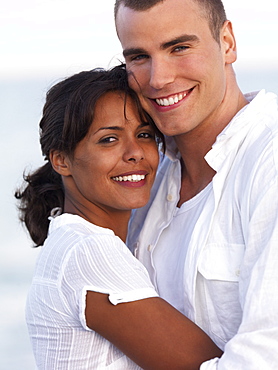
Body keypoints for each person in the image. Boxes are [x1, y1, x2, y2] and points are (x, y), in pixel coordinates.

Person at [15, 65, 222, 369]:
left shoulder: (72, 240)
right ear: (61, 160)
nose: (135, 152)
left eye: (145, 134)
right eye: (109, 139)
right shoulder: (90, 251)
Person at [114, 0, 278, 368]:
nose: (158, 79)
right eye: (139, 57)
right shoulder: (144, 176)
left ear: (227, 43)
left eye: (179, 48)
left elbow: (265, 357)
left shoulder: (269, 162)